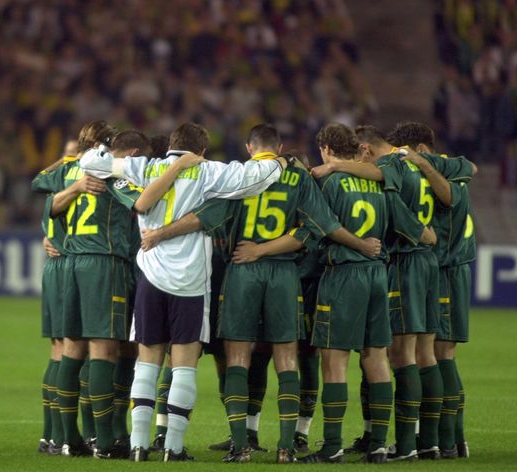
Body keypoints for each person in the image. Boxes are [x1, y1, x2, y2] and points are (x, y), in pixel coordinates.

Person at [137, 124, 381, 463]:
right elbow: (316, 227)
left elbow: (203, 219)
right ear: (279, 147)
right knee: (287, 359)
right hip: (284, 274)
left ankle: (241, 446)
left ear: (250, 148)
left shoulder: (239, 178)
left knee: (236, 358)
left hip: (241, 270)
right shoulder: (299, 177)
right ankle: (286, 447)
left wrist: (159, 235)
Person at [80, 122, 288, 462]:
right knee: (184, 367)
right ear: (201, 150)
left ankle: (138, 446)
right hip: (190, 282)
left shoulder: (145, 167)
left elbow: (90, 162)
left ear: (171, 146)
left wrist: (103, 147)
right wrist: (280, 162)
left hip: (151, 275)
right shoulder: (209, 171)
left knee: (147, 364)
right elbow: (258, 177)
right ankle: (173, 449)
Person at [32, 122, 198, 459]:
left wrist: (71, 184)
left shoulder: (73, 169)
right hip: (105, 264)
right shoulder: (113, 176)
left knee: (70, 348)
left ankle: (66, 437)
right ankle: (105, 440)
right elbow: (143, 203)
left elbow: (42, 192)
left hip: (72, 263)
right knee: (106, 351)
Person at [312, 124, 473, 461]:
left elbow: (393, 208)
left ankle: (408, 443)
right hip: (429, 264)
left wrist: (335, 166)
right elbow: (470, 167)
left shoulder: (389, 168)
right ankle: (434, 442)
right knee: (426, 354)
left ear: (366, 150)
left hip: (404, 262)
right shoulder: (422, 161)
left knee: (401, 355)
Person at [298, 123, 394, 463]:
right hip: (378, 275)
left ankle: (332, 446)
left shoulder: (329, 181)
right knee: (376, 358)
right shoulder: (375, 182)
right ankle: (380, 444)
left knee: (333, 362)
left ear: (325, 148)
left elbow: (325, 227)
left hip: (344, 274)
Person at [388, 122, 475, 459]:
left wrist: (421, 163)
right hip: (449, 270)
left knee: (437, 355)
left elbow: (452, 197)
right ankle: (451, 441)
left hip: (443, 269)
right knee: (440, 355)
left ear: (419, 150)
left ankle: (442, 440)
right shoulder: (454, 169)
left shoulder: (438, 176)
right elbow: (470, 165)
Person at [38, 138, 78, 455]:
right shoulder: (78, 187)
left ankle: (50, 436)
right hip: (67, 269)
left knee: (59, 349)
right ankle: (62, 435)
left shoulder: (56, 191)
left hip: (55, 269)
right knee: (71, 348)